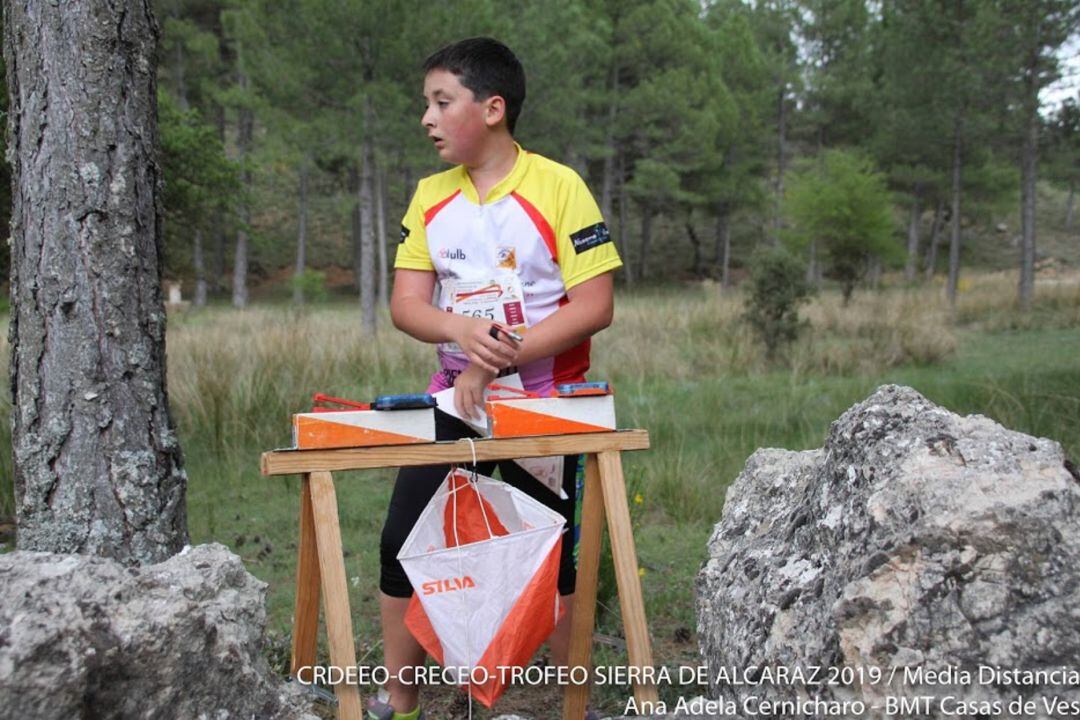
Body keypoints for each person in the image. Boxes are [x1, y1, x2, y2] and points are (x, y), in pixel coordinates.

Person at [373, 36, 620, 720]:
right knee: (401, 543)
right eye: (426, 102)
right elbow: (406, 305)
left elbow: (596, 305)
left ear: (492, 109)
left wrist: (504, 353)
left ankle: (575, 706)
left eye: (440, 101)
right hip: (455, 401)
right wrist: (458, 333)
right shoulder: (429, 196)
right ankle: (401, 704)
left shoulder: (558, 185)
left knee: (558, 562)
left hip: (549, 404)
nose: (425, 117)